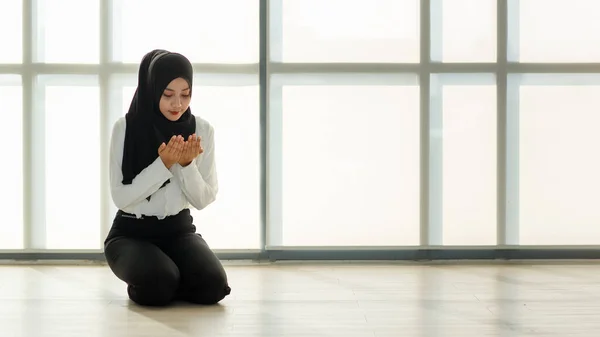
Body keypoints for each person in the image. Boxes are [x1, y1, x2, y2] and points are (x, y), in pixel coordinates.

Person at [103, 49, 231, 307]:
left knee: (214, 287)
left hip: (178, 231)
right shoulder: (125, 128)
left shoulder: (201, 130)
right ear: (152, 90)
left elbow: (204, 199)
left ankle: (169, 276)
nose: (178, 104)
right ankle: (162, 278)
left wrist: (186, 165)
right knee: (157, 286)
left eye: (185, 94)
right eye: (168, 94)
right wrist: (163, 165)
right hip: (130, 233)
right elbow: (121, 197)